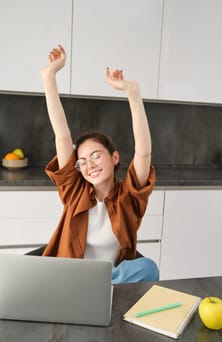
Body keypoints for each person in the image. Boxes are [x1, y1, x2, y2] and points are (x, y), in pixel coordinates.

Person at [40, 44, 159, 283]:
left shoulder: (130, 198)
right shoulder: (74, 191)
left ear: (114, 158)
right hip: (70, 280)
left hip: (112, 282)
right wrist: (49, 76)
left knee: (148, 268)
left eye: (96, 155)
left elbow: (144, 152)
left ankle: (98, 286)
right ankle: (88, 288)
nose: (89, 165)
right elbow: (62, 136)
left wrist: (132, 94)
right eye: (82, 161)